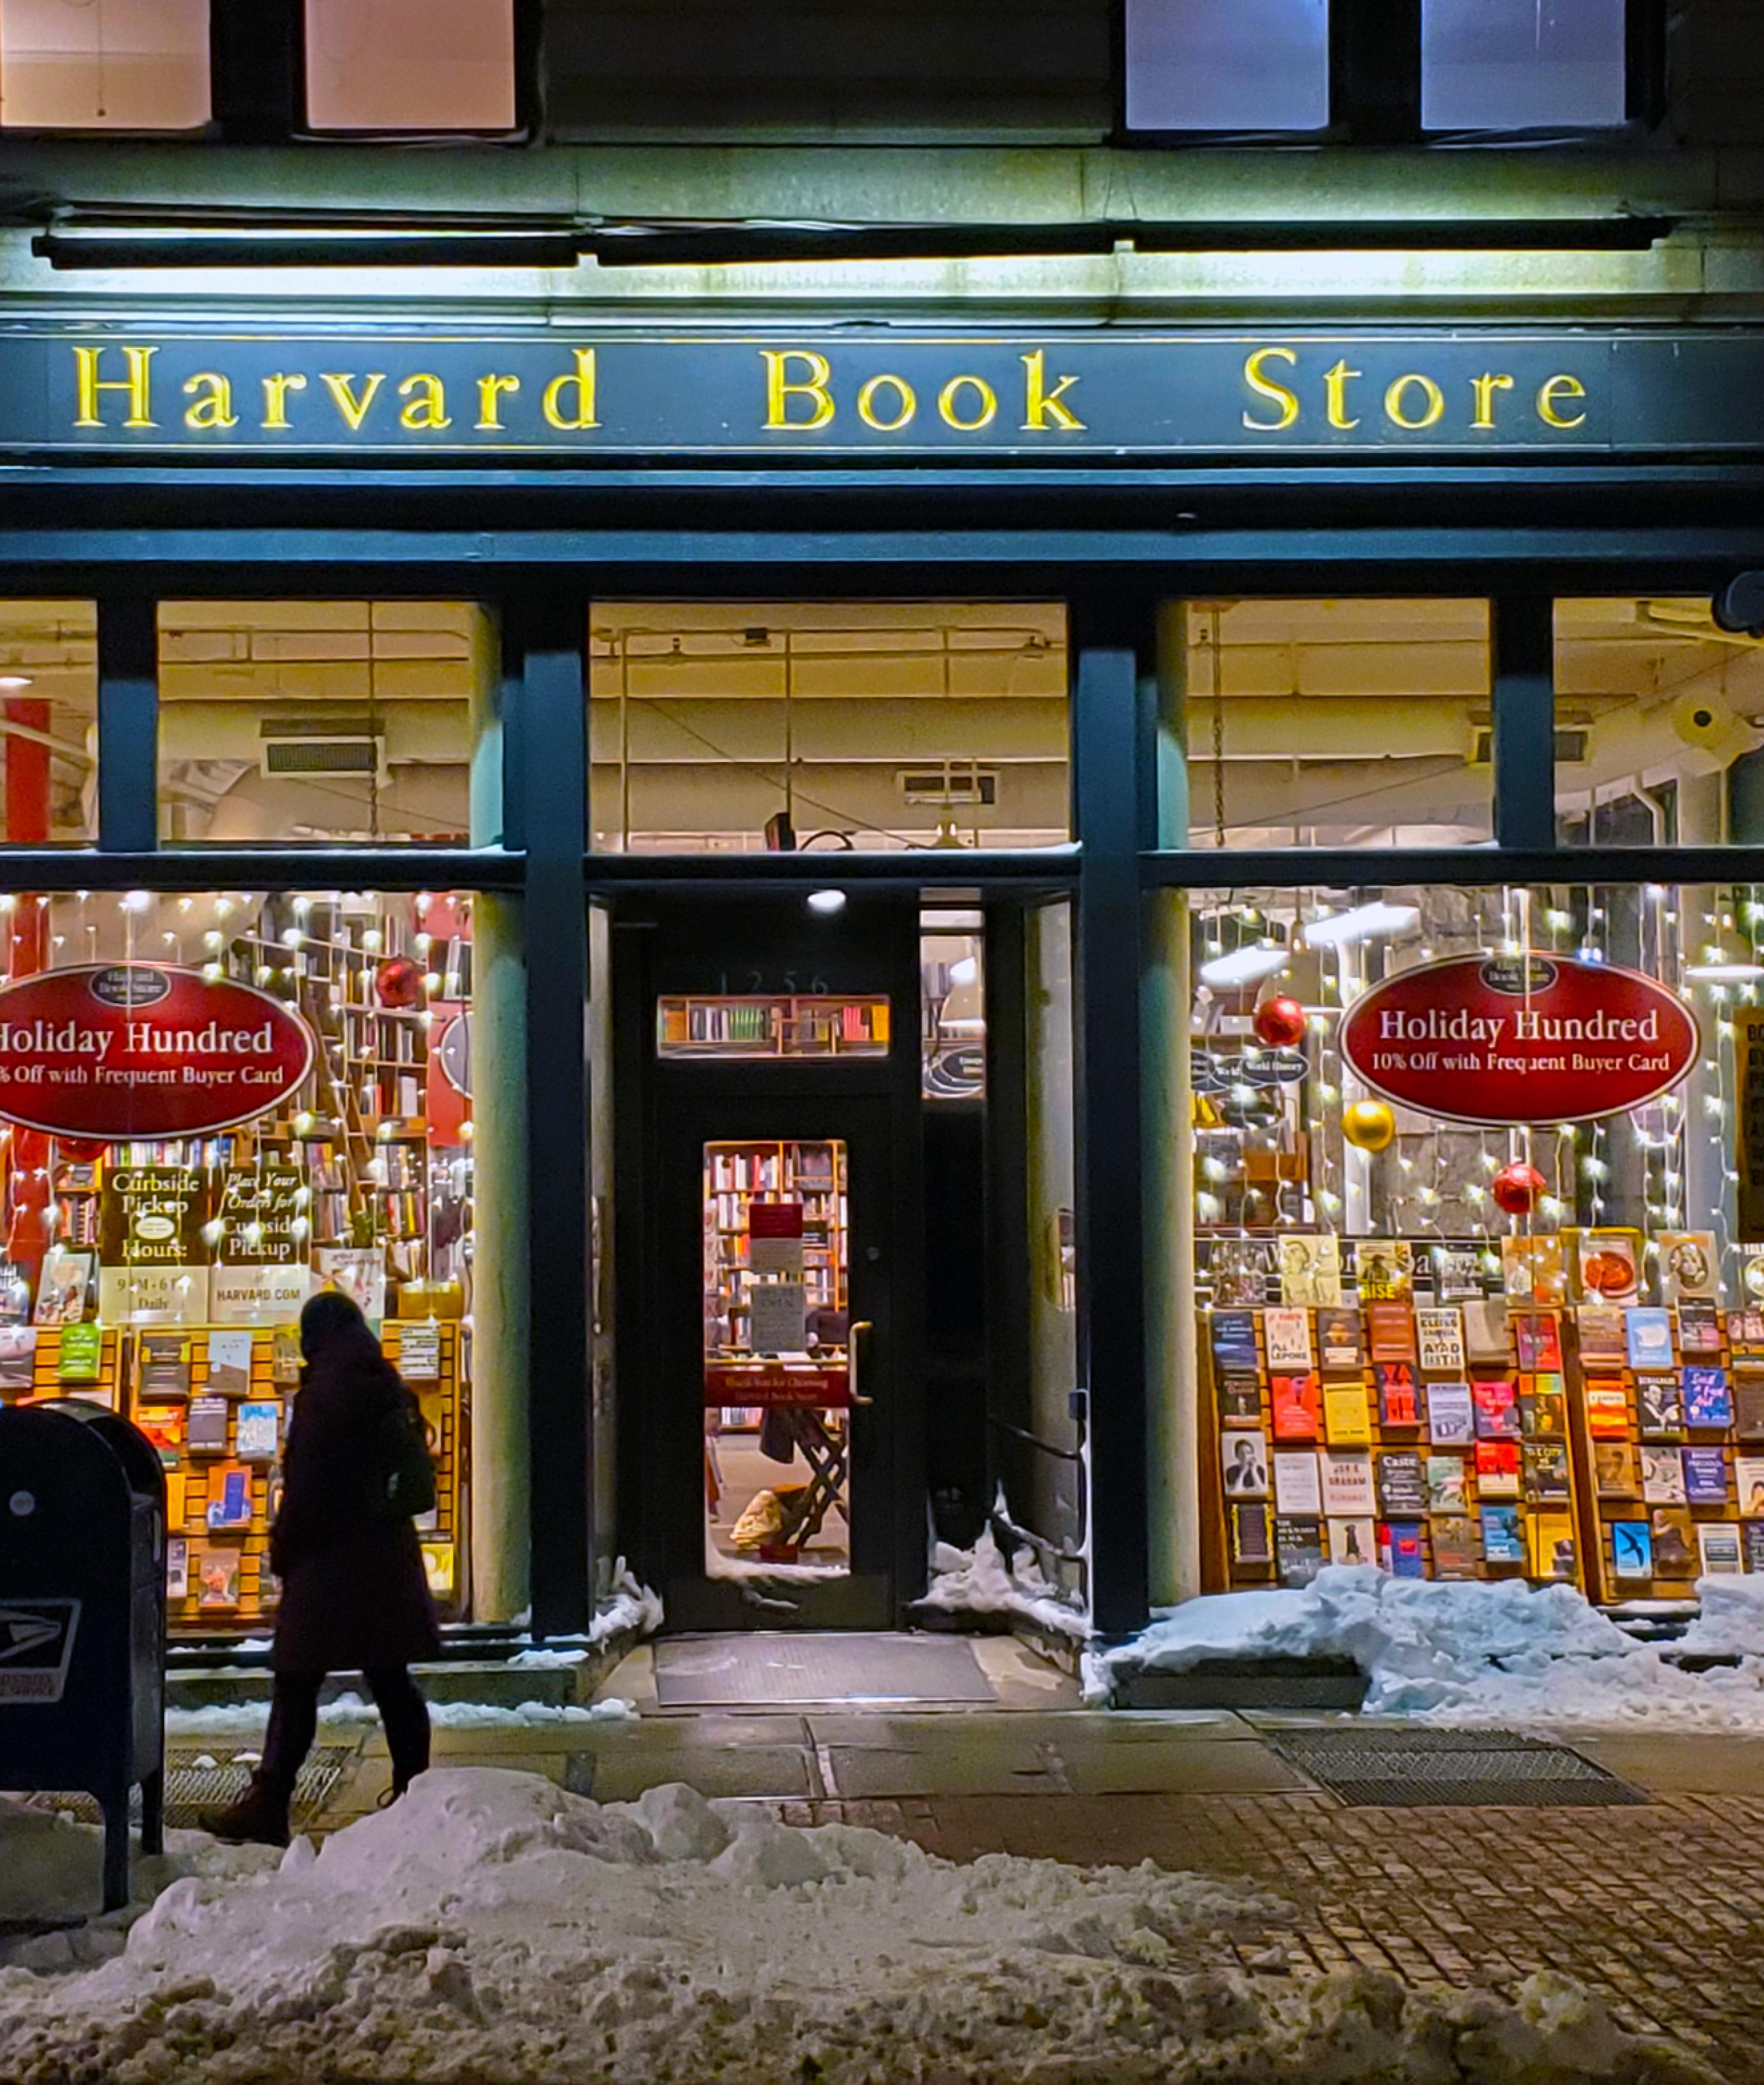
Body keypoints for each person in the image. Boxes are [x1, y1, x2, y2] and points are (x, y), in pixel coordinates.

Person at [204, 1289, 439, 1847]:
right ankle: (417, 1791)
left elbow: (308, 1487)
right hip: (382, 1559)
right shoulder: (382, 1382)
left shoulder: (326, 1395)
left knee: (296, 1682)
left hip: (330, 1565)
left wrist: (283, 1548)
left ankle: (270, 1801)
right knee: (388, 1677)